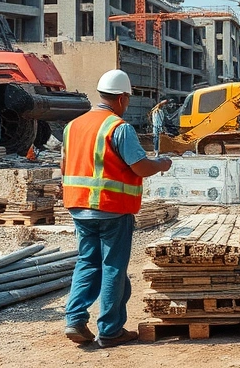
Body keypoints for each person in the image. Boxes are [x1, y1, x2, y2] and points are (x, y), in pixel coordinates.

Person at [62, 70, 173, 348]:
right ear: (122, 98)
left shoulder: (72, 126)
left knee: (88, 262)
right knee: (112, 267)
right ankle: (110, 331)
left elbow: (64, 167)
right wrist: (161, 164)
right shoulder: (118, 127)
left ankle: (75, 319)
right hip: (112, 208)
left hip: (79, 207)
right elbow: (140, 167)